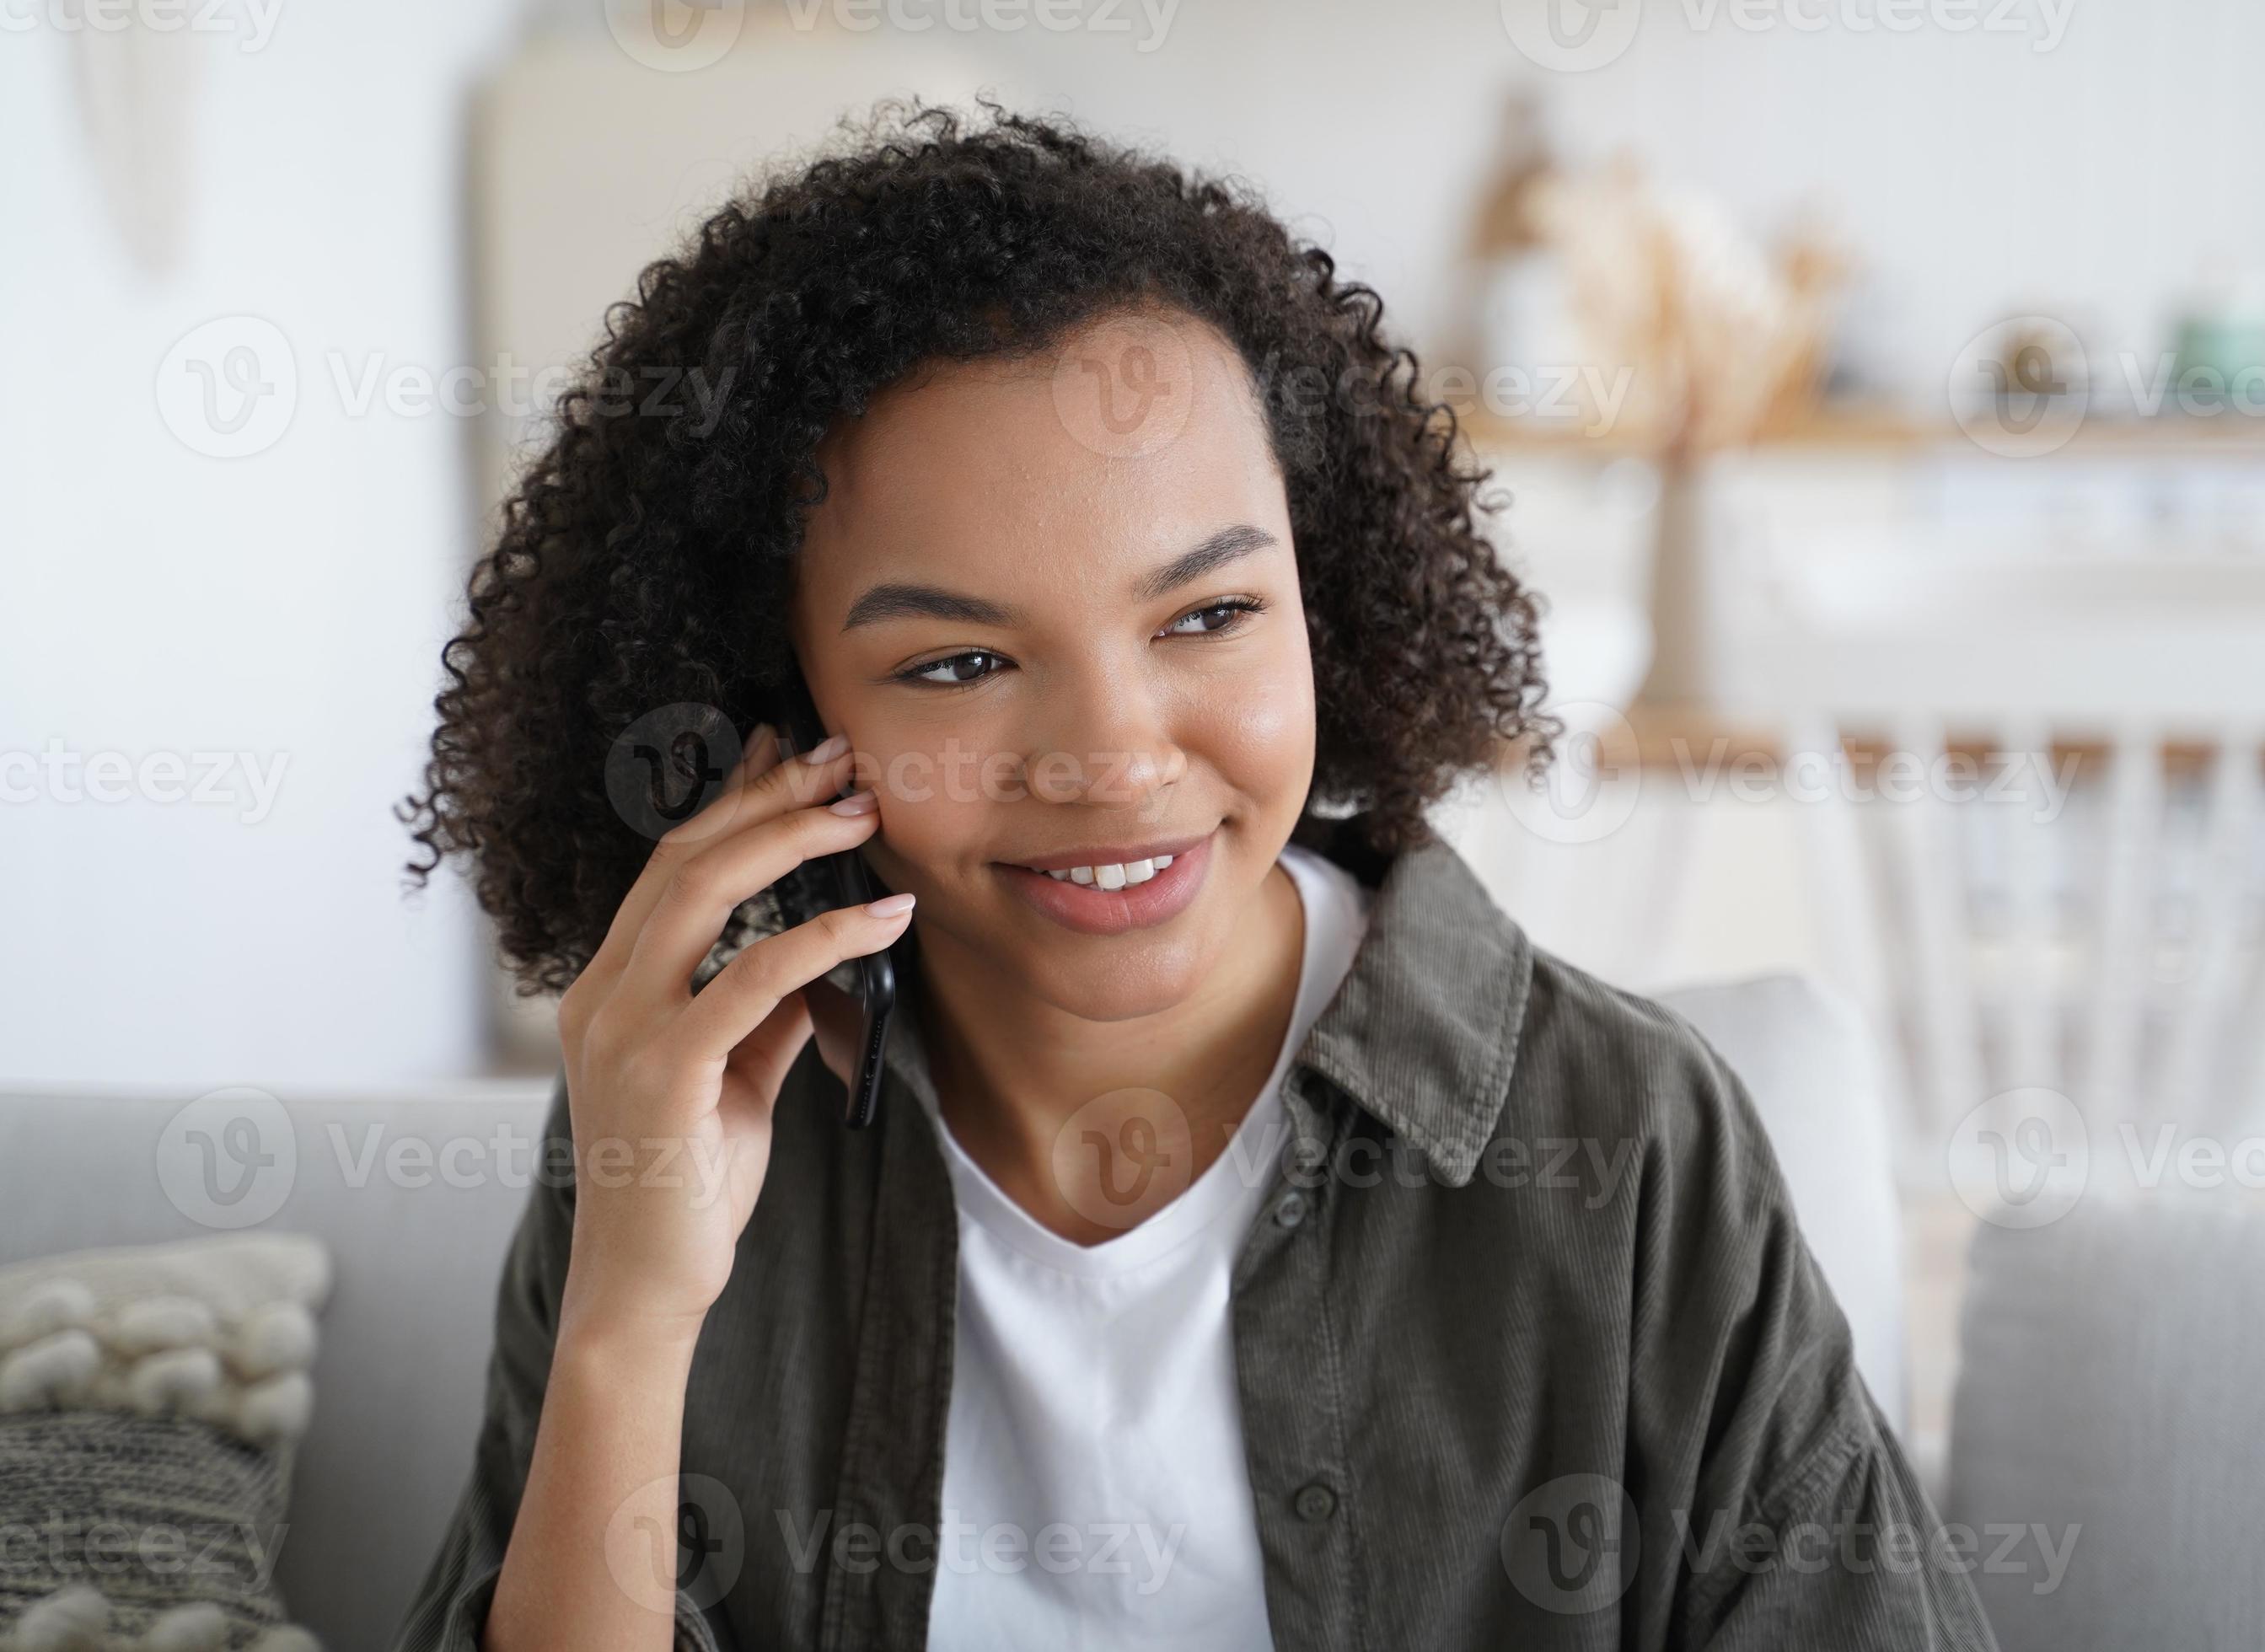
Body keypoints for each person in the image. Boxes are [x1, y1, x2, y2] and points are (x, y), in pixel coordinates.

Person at [394, 102, 1995, 1652]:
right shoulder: (676, 1118)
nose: (1111, 762)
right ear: (785, 709)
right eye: (957, 662)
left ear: (1326, 599)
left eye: (1208, 617)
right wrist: (625, 1330)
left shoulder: (1632, 1144)